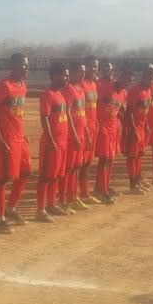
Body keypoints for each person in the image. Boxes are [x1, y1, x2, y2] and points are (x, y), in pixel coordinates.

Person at [0, 53, 32, 232]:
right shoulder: (4, 86)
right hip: (7, 139)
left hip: (20, 138)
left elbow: (17, 114)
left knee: (26, 172)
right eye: (23, 65)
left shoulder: (23, 85)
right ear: (13, 66)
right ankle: (0, 219)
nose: (26, 68)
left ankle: (11, 208)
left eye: (27, 65)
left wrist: (24, 134)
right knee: (3, 178)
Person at [36, 62, 72, 222]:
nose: (67, 78)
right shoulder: (48, 95)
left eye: (67, 75)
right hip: (51, 143)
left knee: (56, 175)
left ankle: (52, 204)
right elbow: (44, 118)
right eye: (64, 75)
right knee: (45, 176)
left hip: (62, 143)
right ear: (55, 76)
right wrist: (51, 141)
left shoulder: (61, 95)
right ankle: (40, 209)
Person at [95, 64, 128, 202]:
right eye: (105, 69)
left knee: (110, 159)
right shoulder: (99, 85)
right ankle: (101, 190)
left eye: (110, 69)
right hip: (102, 127)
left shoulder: (123, 92)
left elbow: (119, 109)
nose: (108, 72)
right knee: (104, 159)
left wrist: (124, 119)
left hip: (114, 129)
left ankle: (105, 186)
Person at [60, 62, 90, 212]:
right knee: (69, 168)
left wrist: (86, 133)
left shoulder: (81, 89)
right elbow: (68, 114)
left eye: (83, 71)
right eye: (79, 71)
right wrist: (74, 135)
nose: (83, 74)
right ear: (71, 72)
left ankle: (73, 196)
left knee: (77, 166)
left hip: (81, 134)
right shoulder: (68, 90)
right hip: (72, 137)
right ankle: (64, 199)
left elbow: (83, 114)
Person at [125, 65, 153, 193]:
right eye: (149, 78)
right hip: (134, 128)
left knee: (139, 155)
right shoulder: (135, 91)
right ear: (143, 77)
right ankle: (132, 185)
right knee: (132, 156)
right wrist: (133, 129)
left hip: (142, 128)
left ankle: (137, 181)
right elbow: (129, 112)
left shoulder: (149, 91)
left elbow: (145, 111)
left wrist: (146, 125)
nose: (152, 81)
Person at [77, 56, 100, 205]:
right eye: (91, 66)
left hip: (92, 129)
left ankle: (85, 193)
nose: (93, 69)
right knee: (79, 164)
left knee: (87, 163)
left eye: (96, 66)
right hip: (83, 130)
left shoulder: (93, 85)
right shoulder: (81, 85)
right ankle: (73, 195)